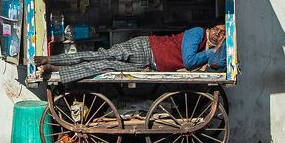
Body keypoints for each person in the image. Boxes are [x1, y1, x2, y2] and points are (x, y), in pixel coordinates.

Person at [36, 25, 226, 83]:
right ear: (211, 27)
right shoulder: (198, 33)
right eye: (218, 28)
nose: (218, 33)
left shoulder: (205, 46)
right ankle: (51, 59)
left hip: (146, 64)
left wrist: (212, 52)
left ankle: (57, 69)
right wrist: (210, 52)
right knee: (99, 55)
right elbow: (189, 61)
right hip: (144, 48)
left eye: (223, 33)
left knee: (101, 66)